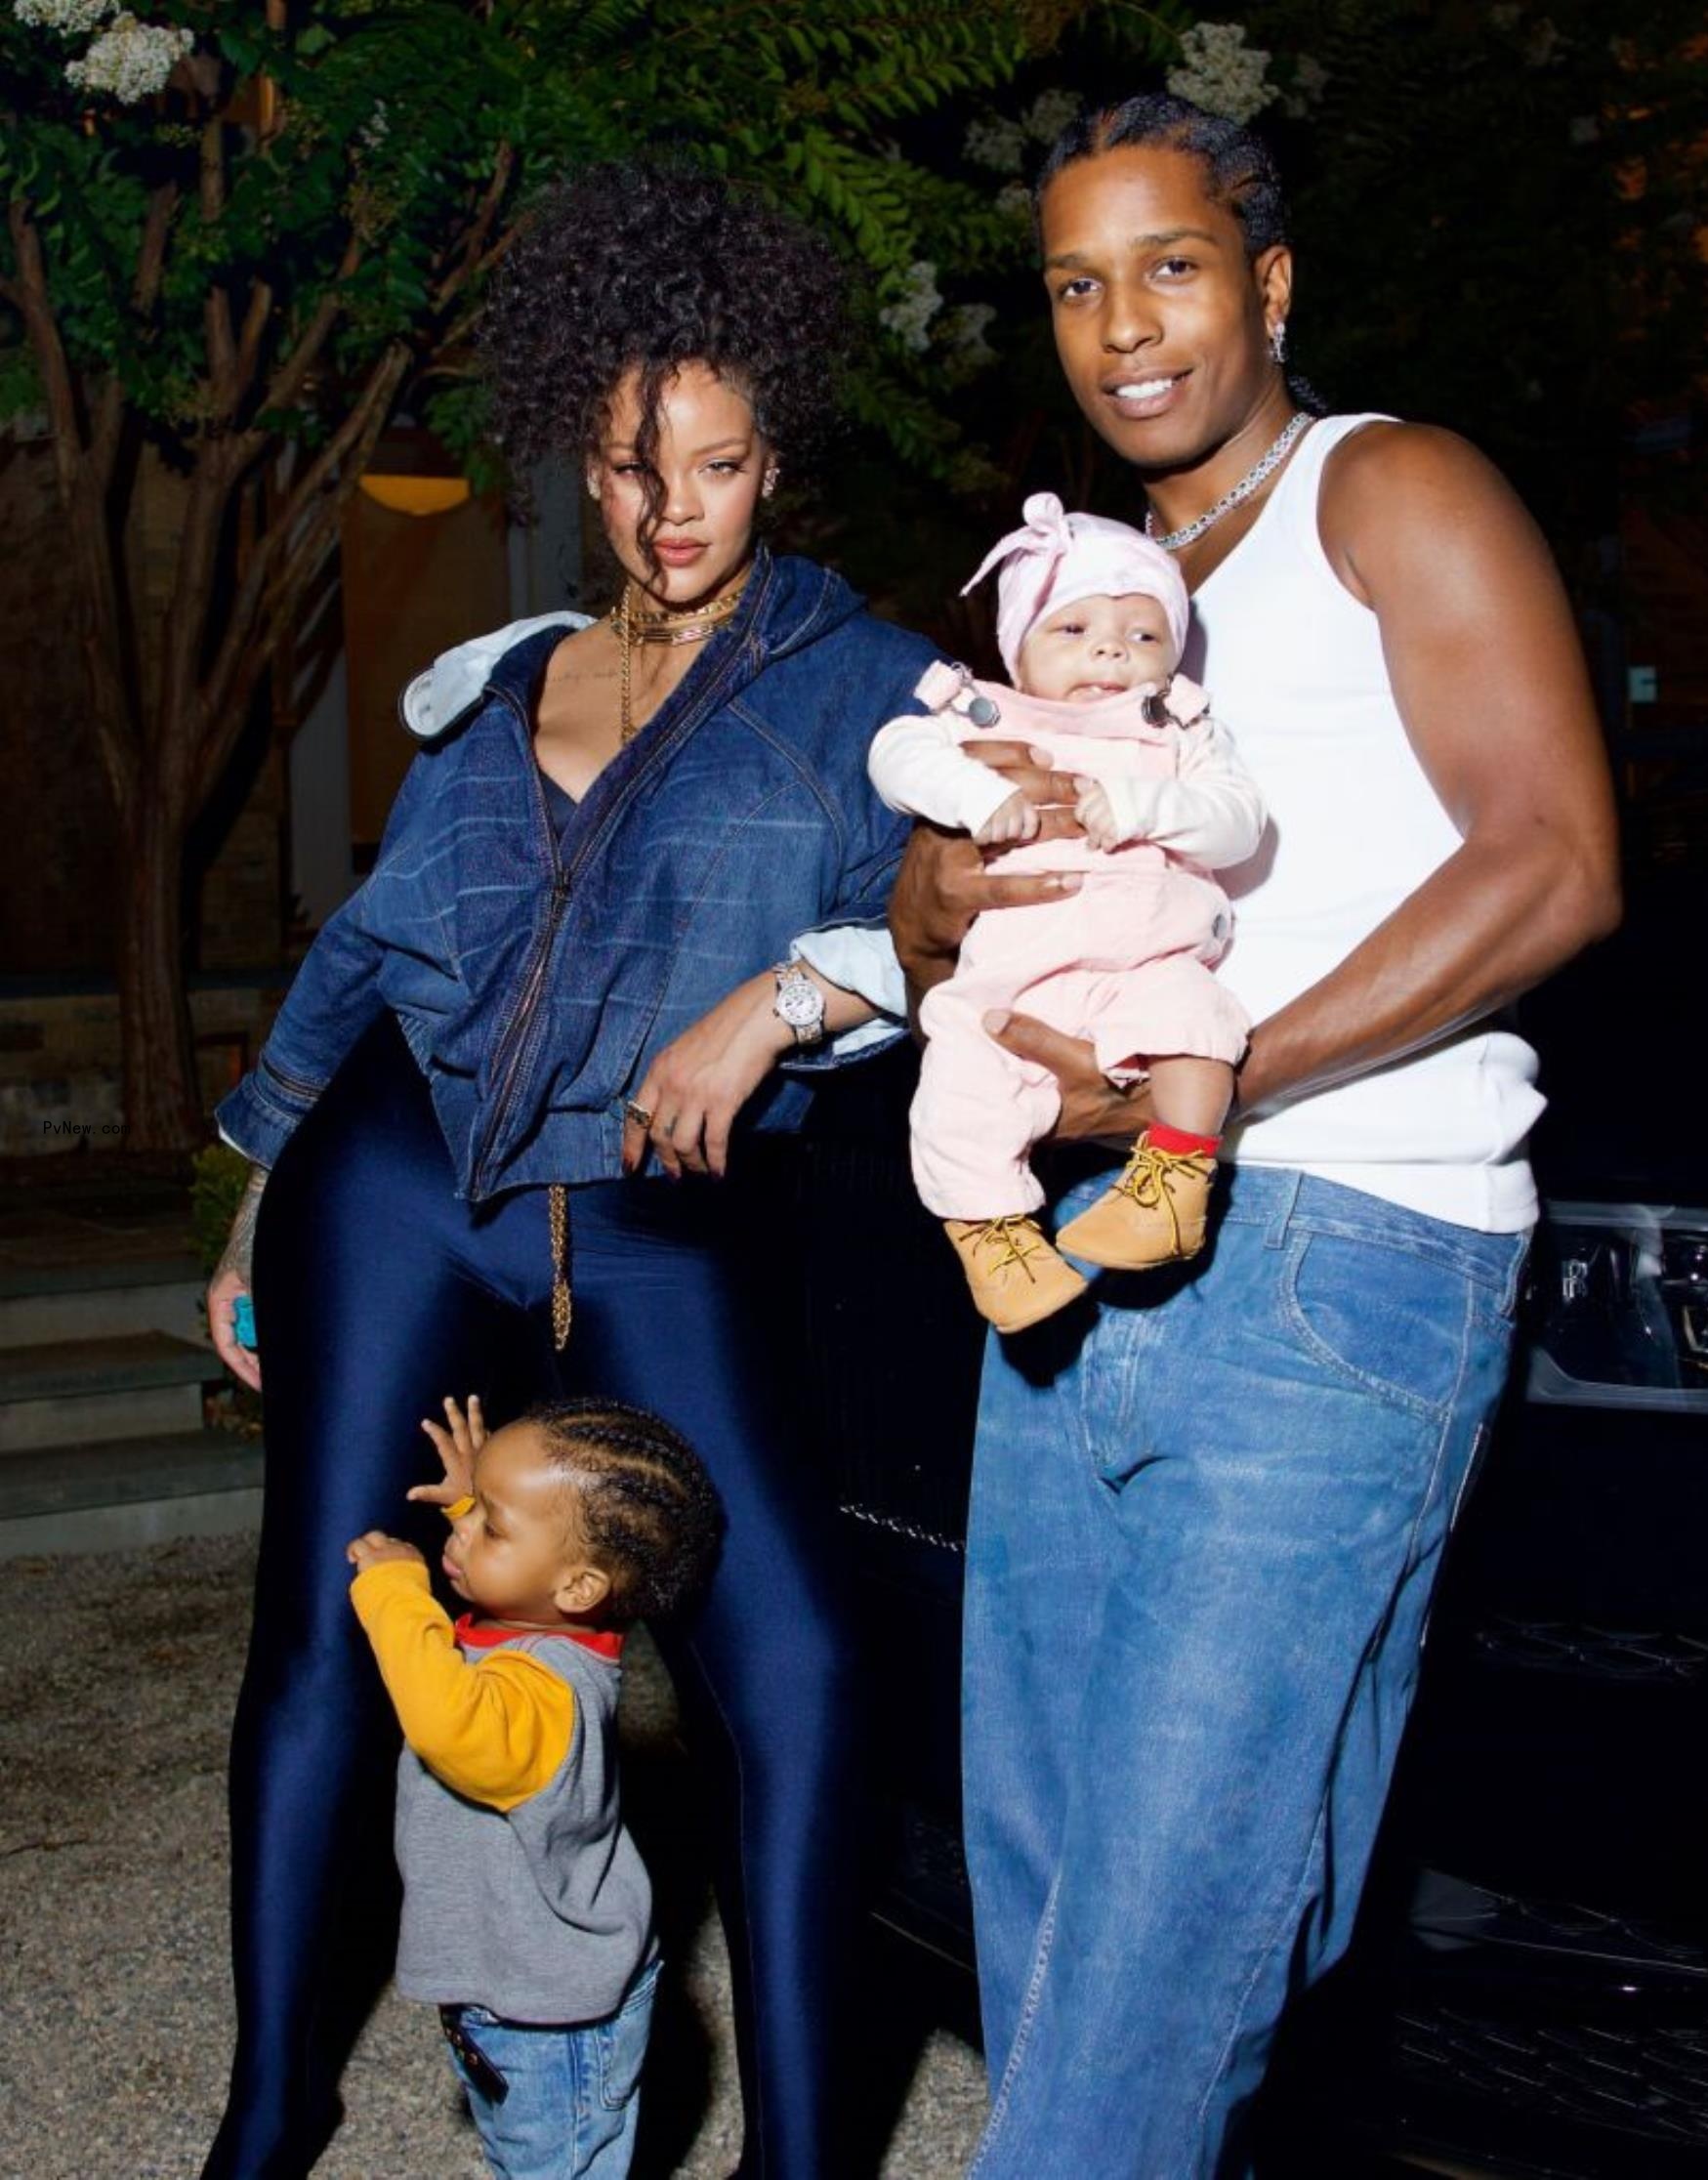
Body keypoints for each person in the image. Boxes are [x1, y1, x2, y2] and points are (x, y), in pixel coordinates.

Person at [881, 96, 1623, 2176]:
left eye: (1173, 266)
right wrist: (940, 902)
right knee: (1057, 1910)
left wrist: (1217, 1087)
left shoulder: (1388, 488)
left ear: (1269, 280)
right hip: (1072, 1256)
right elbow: (944, 883)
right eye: (1077, 284)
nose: (1124, 325)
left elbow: (1557, 862)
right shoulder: (1096, 588)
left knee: (1163, 1941)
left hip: (1338, 1244)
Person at [198, 161, 938, 2180]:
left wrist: (783, 998)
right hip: (392, 1183)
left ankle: (803, 2156)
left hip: (647, 1212)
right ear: (587, 468)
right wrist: (264, 1176)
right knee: (322, 1634)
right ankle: (267, 2116)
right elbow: (373, 946)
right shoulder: (506, 682)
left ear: (772, 451)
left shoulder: (864, 685)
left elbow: (946, 924)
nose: (671, 509)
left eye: (709, 463)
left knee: (797, 1659)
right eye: (629, 467)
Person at [867, 492, 1263, 1330]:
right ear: (1019, 649)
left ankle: (1177, 1180)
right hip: (1018, 973)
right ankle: (991, 1237)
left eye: (1142, 635)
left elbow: (1238, 822)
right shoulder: (984, 713)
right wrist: (972, 792)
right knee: (959, 1079)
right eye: (1074, 630)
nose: (1111, 652)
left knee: (1196, 1022)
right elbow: (892, 753)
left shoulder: (1178, 729)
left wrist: (1148, 805)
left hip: (1148, 955)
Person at [345, 1394, 723, 2180]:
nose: (459, 1531)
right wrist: (476, 1498)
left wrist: (395, 1595)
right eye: (472, 1509)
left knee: (552, 2164)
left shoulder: (542, 1698)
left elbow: (448, 1724)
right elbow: (537, 1564)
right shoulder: (562, 1619)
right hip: (521, 1985)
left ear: (579, 1587)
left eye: (492, 1526)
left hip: (551, 2016)